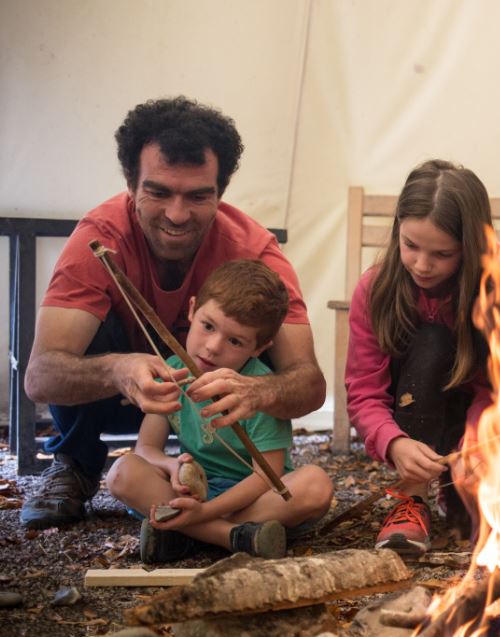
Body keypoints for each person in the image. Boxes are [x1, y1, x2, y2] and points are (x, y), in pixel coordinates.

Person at [22, 96, 324, 530]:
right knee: (88, 336)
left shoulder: (254, 252)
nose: (177, 215)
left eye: (199, 196)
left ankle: (189, 522)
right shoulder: (99, 241)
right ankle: (75, 462)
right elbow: (40, 376)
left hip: (215, 416)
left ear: (221, 192)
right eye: (158, 192)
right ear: (130, 184)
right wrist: (117, 370)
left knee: (265, 326)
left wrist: (257, 392)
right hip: (124, 402)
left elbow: (309, 384)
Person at [345, 159, 500, 555]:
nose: (421, 264)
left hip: (489, 424)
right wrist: (394, 443)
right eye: (410, 245)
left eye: (442, 254)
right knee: (430, 340)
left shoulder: (496, 285)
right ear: (397, 227)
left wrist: (481, 436)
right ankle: (410, 499)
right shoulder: (376, 290)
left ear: (471, 247)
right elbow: (364, 391)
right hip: (421, 416)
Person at [105, 260, 333, 563]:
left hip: (253, 498)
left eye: (235, 340)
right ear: (192, 309)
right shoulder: (172, 372)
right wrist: (171, 467)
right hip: (196, 493)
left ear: (259, 347)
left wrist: (204, 512)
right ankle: (235, 537)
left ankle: (187, 535)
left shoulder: (258, 389)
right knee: (123, 473)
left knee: (315, 486)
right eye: (208, 326)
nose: (212, 347)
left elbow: (266, 477)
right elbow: (146, 448)